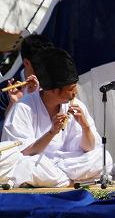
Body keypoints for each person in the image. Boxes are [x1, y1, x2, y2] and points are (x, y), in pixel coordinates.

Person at [2, 48, 109, 187]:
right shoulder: (23, 108)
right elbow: (23, 152)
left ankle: (58, 180)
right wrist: (52, 132)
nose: (75, 93)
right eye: (70, 89)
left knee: (103, 157)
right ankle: (68, 181)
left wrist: (85, 127)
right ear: (53, 90)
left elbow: (89, 148)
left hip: (62, 165)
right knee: (26, 165)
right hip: (38, 163)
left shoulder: (76, 106)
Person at [0, 34, 52, 130]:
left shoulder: (54, 86)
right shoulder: (4, 90)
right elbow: (2, 131)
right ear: (26, 63)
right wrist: (13, 104)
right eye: (41, 64)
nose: (46, 68)